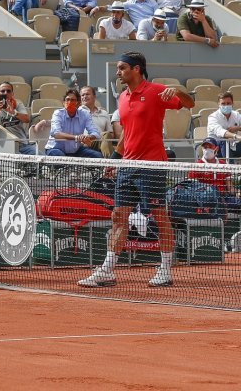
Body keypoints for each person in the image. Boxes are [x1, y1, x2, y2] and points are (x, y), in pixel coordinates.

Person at [79, 51, 194, 288]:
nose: (118, 72)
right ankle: (108, 270)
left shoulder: (156, 91)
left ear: (136, 69)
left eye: (122, 68)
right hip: (127, 166)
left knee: (159, 216)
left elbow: (190, 103)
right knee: (118, 216)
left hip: (151, 165)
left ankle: (165, 270)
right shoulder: (122, 97)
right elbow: (127, 136)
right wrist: (116, 161)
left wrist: (178, 90)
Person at [44, 89, 102, 157]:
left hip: (76, 150)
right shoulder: (58, 113)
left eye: (72, 100)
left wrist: (86, 137)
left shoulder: (84, 114)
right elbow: (56, 134)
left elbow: (95, 133)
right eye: (67, 100)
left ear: (79, 103)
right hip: (55, 149)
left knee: (98, 156)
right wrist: (77, 137)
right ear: (63, 102)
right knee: (61, 157)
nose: (69, 102)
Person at [0, 82, 36, 155]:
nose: (5, 93)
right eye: (3, 91)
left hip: (23, 144)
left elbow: (26, 119)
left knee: (40, 155)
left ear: (12, 94)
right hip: (6, 147)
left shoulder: (18, 104)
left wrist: (14, 112)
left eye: (8, 91)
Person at [189, 138, 238, 205]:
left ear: (216, 149)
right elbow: (193, 188)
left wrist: (237, 192)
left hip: (224, 198)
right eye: (205, 147)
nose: (207, 149)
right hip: (205, 199)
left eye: (210, 147)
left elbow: (230, 188)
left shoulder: (223, 164)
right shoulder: (196, 166)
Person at [207, 92, 241, 161]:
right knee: (224, 141)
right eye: (223, 103)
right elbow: (220, 131)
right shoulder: (213, 117)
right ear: (219, 104)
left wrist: (238, 128)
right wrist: (235, 136)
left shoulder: (236, 115)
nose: (226, 106)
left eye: (228, 103)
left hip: (233, 146)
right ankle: (230, 170)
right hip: (216, 148)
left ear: (232, 104)